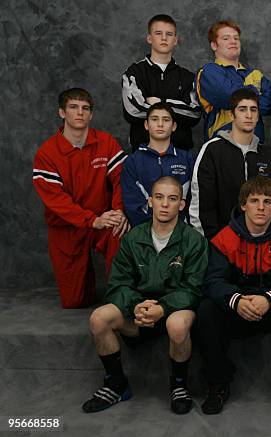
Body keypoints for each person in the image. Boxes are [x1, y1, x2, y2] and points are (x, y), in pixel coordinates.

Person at [81, 176, 208, 415]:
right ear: (150, 202)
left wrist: (163, 307)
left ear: (181, 205)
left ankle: (179, 386)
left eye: (172, 199)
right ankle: (116, 384)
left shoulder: (194, 241)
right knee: (99, 317)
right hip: (137, 314)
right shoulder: (132, 239)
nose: (165, 204)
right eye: (159, 197)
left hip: (173, 311)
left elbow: (194, 288)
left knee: (179, 325)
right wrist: (137, 306)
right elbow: (118, 284)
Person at [198, 176, 271, 415]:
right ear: (243, 205)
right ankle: (218, 383)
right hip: (238, 309)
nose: (261, 207)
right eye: (254, 201)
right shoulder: (223, 238)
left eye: (267, 201)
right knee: (206, 310)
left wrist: (269, 299)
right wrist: (236, 300)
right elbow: (212, 281)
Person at [33, 88, 128, 308]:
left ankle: (120, 295)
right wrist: (90, 220)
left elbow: (121, 180)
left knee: (120, 229)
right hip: (67, 227)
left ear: (91, 114)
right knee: (75, 301)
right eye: (73, 107)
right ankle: (84, 282)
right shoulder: (47, 153)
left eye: (85, 108)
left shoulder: (105, 142)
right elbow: (57, 201)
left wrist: (118, 211)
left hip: (103, 219)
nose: (80, 113)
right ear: (62, 113)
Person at [190, 88, 271, 239]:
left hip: (264, 241)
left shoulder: (268, 154)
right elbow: (201, 200)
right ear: (232, 115)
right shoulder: (213, 150)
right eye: (242, 109)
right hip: (223, 242)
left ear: (258, 116)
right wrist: (211, 241)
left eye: (253, 110)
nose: (249, 115)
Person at [122, 14, 201, 151]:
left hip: (180, 154)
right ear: (149, 38)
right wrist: (175, 108)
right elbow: (133, 111)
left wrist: (158, 102)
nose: (164, 38)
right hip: (143, 151)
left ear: (175, 40)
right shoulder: (134, 72)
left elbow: (194, 113)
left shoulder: (188, 77)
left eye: (169, 34)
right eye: (158, 33)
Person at [195, 20, 271, 143]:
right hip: (222, 146)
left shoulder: (255, 74)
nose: (233, 42)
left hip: (255, 145)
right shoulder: (208, 72)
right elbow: (228, 97)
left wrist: (243, 95)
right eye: (226, 38)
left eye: (236, 38)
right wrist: (255, 93)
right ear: (214, 45)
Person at [121, 102, 194, 226]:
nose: (160, 124)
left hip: (181, 232)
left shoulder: (187, 158)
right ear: (146, 125)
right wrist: (153, 230)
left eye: (166, 120)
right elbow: (131, 203)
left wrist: (180, 229)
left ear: (174, 126)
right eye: (154, 119)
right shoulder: (133, 161)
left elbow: (194, 199)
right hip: (145, 233)